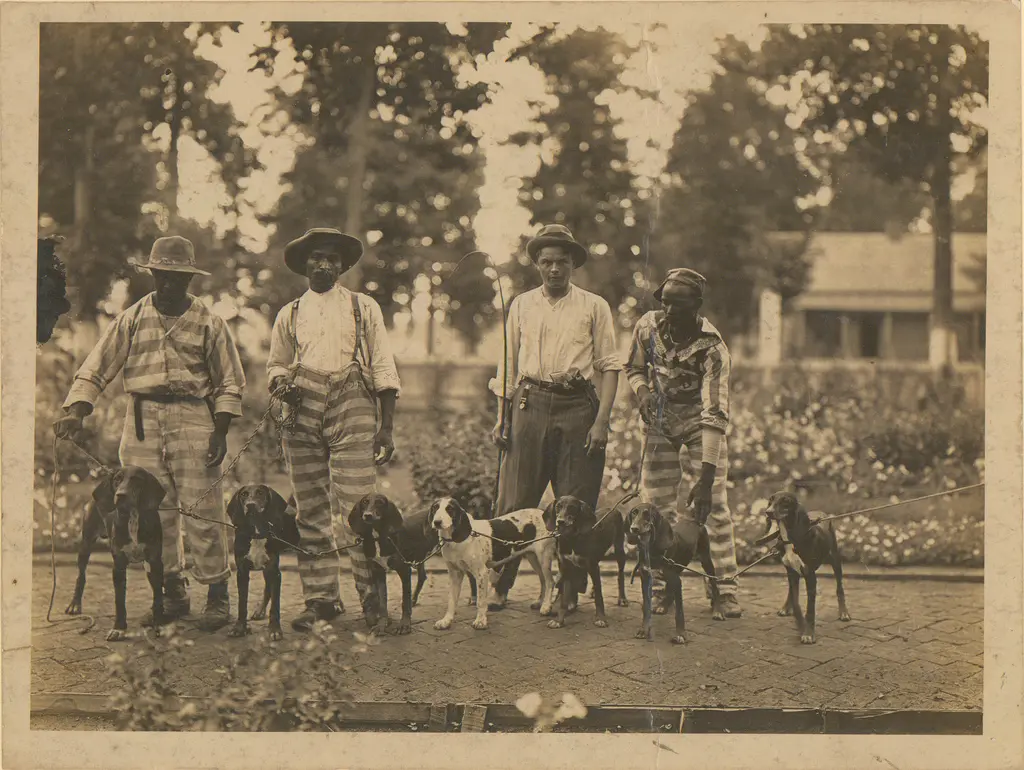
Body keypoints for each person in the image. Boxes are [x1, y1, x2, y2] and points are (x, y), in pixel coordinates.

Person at [54, 236, 246, 631]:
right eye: (163, 275)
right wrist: (77, 410)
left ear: (190, 278)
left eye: (179, 277)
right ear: (153, 274)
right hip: (141, 420)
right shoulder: (132, 318)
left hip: (194, 418)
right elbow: (97, 367)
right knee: (149, 511)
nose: (170, 284)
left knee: (201, 507)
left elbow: (229, 382)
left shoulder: (210, 322)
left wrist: (219, 432)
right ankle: (171, 592)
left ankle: (216, 592)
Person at [266, 228, 401, 631]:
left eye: (332, 259)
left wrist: (386, 427)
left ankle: (372, 602)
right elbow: (276, 364)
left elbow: (383, 366)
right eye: (316, 258)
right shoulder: (289, 313)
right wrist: (280, 383)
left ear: (342, 266)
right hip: (301, 409)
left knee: (363, 510)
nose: (324, 265)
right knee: (310, 511)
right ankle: (322, 600)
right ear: (304, 264)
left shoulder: (363, 308)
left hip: (353, 405)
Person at [489, 223, 623, 608]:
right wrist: (503, 416)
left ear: (572, 265)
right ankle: (500, 584)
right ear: (536, 265)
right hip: (529, 405)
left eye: (561, 262)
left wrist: (601, 422)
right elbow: (508, 364)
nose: (553, 270)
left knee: (575, 502)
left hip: (578, 408)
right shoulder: (521, 305)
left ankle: (568, 590)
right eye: (546, 262)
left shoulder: (594, 306)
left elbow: (609, 365)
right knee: (514, 500)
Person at [624, 267, 742, 618]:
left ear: (697, 306)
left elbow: (715, 415)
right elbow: (634, 369)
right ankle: (661, 587)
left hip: (699, 426)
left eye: (679, 305)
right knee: (653, 507)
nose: (670, 312)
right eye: (665, 303)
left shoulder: (713, 349)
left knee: (713, 508)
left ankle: (724, 589)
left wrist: (705, 481)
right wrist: (643, 392)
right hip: (659, 422)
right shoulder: (647, 326)